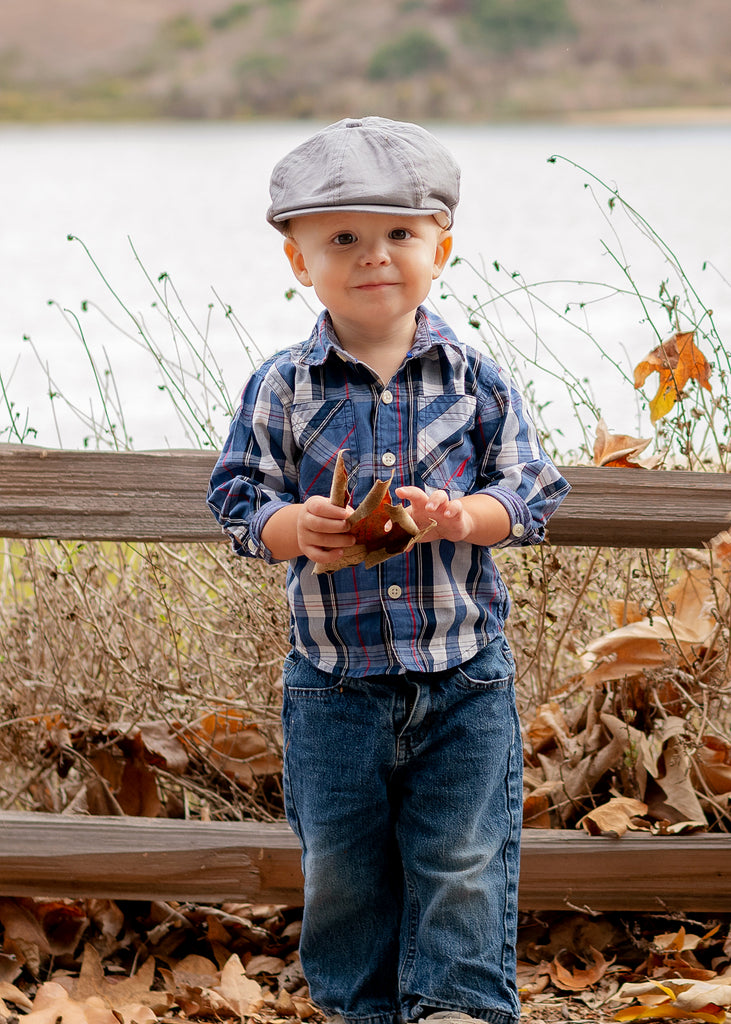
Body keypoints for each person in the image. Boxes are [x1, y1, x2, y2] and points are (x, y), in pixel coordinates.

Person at [207, 116, 570, 1024]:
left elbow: (529, 486)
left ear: (440, 248)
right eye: (343, 239)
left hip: (463, 676)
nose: (375, 257)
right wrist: (298, 528)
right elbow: (237, 497)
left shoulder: (474, 377)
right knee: (341, 861)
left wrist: (466, 516)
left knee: (461, 855)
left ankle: (455, 1005)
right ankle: (359, 1008)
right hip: (333, 685)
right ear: (299, 262)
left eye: (399, 235)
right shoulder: (283, 385)